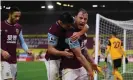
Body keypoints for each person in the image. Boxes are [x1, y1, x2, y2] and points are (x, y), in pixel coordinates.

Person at [45, 12, 89, 80]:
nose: (71, 27)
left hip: (63, 58)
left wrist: (79, 33)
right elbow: (50, 49)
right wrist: (63, 53)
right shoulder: (54, 30)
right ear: (60, 22)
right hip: (53, 58)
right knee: (53, 77)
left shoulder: (71, 20)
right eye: (68, 26)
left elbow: (86, 26)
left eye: (71, 25)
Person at [60, 8, 98, 80]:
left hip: (81, 68)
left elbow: (84, 50)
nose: (83, 21)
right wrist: (89, 70)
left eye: (85, 19)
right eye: (80, 18)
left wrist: (92, 62)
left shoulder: (83, 32)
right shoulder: (70, 33)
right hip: (69, 70)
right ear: (75, 17)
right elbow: (79, 55)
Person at [1, 6, 32, 80]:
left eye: (19, 16)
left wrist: (27, 49)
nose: (17, 18)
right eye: (15, 16)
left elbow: (22, 42)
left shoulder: (18, 27)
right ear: (10, 14)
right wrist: (2, 51)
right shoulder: (1, 25)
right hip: (2, 59)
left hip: (13, 59)